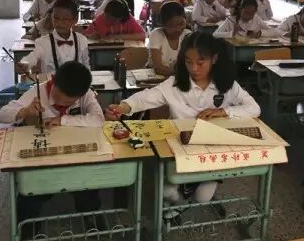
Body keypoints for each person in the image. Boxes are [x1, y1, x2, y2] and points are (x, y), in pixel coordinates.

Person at [104, 32, 260, 218]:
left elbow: (254, 108)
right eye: (188, 62)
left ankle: (183, 201)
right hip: (178, 150)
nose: (194, 68)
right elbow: (147, 97)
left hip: (211, 150)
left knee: (202, 198)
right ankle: (180, 203)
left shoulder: (227, 85)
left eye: (200, 63)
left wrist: (224, 111)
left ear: (214, 59)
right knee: (167, 192)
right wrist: (124, 106)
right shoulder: (175, 84)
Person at [0, 61, 103, 225]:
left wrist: (63, 120)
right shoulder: (38, 91)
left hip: (75, 155)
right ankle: (27, 226)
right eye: (58, 98)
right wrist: (25, 111)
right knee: (32, 193)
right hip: (44, 158)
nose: (61, 104)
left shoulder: (85, 93)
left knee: (87, 188)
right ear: (53, 81)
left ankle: (90, 216)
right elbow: (2, 115)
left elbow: (98, 119)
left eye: (68, 103)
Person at [17, 0, 90, 74]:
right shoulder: (42, 42)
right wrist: (25, 64)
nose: (59, 22)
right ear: (51, 17)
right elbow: (33, 57)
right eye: (56, 18)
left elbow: (86, 65)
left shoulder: (82, 40)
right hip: (51, 81)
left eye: (65, 19)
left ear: (75, 19)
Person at [149, 2, 192, 76]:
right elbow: (158, 68)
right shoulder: (156, 34)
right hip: (156, 77)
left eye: (181, 23)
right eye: (172, 26)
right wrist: (182, 73)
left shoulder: (188, 35)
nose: (178, 29)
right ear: (163, 25)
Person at [213, 0, 279, 39]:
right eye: (246, 13)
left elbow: (275, 31)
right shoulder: (231, 20)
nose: (248, 16)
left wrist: (260, 33)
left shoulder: (256, 18)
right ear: (240, 9)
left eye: (251, 14)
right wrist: (232, 33)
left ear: (255, 12)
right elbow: (215, 34)